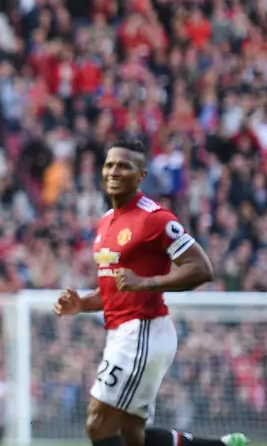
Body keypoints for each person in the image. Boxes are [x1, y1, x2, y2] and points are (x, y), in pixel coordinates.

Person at [54, 139, 247, 446]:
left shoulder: (155, 218)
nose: (114, 171)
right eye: (109, 165)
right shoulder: (106, 222)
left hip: (143, 330)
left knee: (97, 424)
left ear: (141, 175)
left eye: (124, 166)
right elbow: (114, 290)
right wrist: (82, 303)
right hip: (123, 332)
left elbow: (201, 268)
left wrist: (146, 283)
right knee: (133, 436)